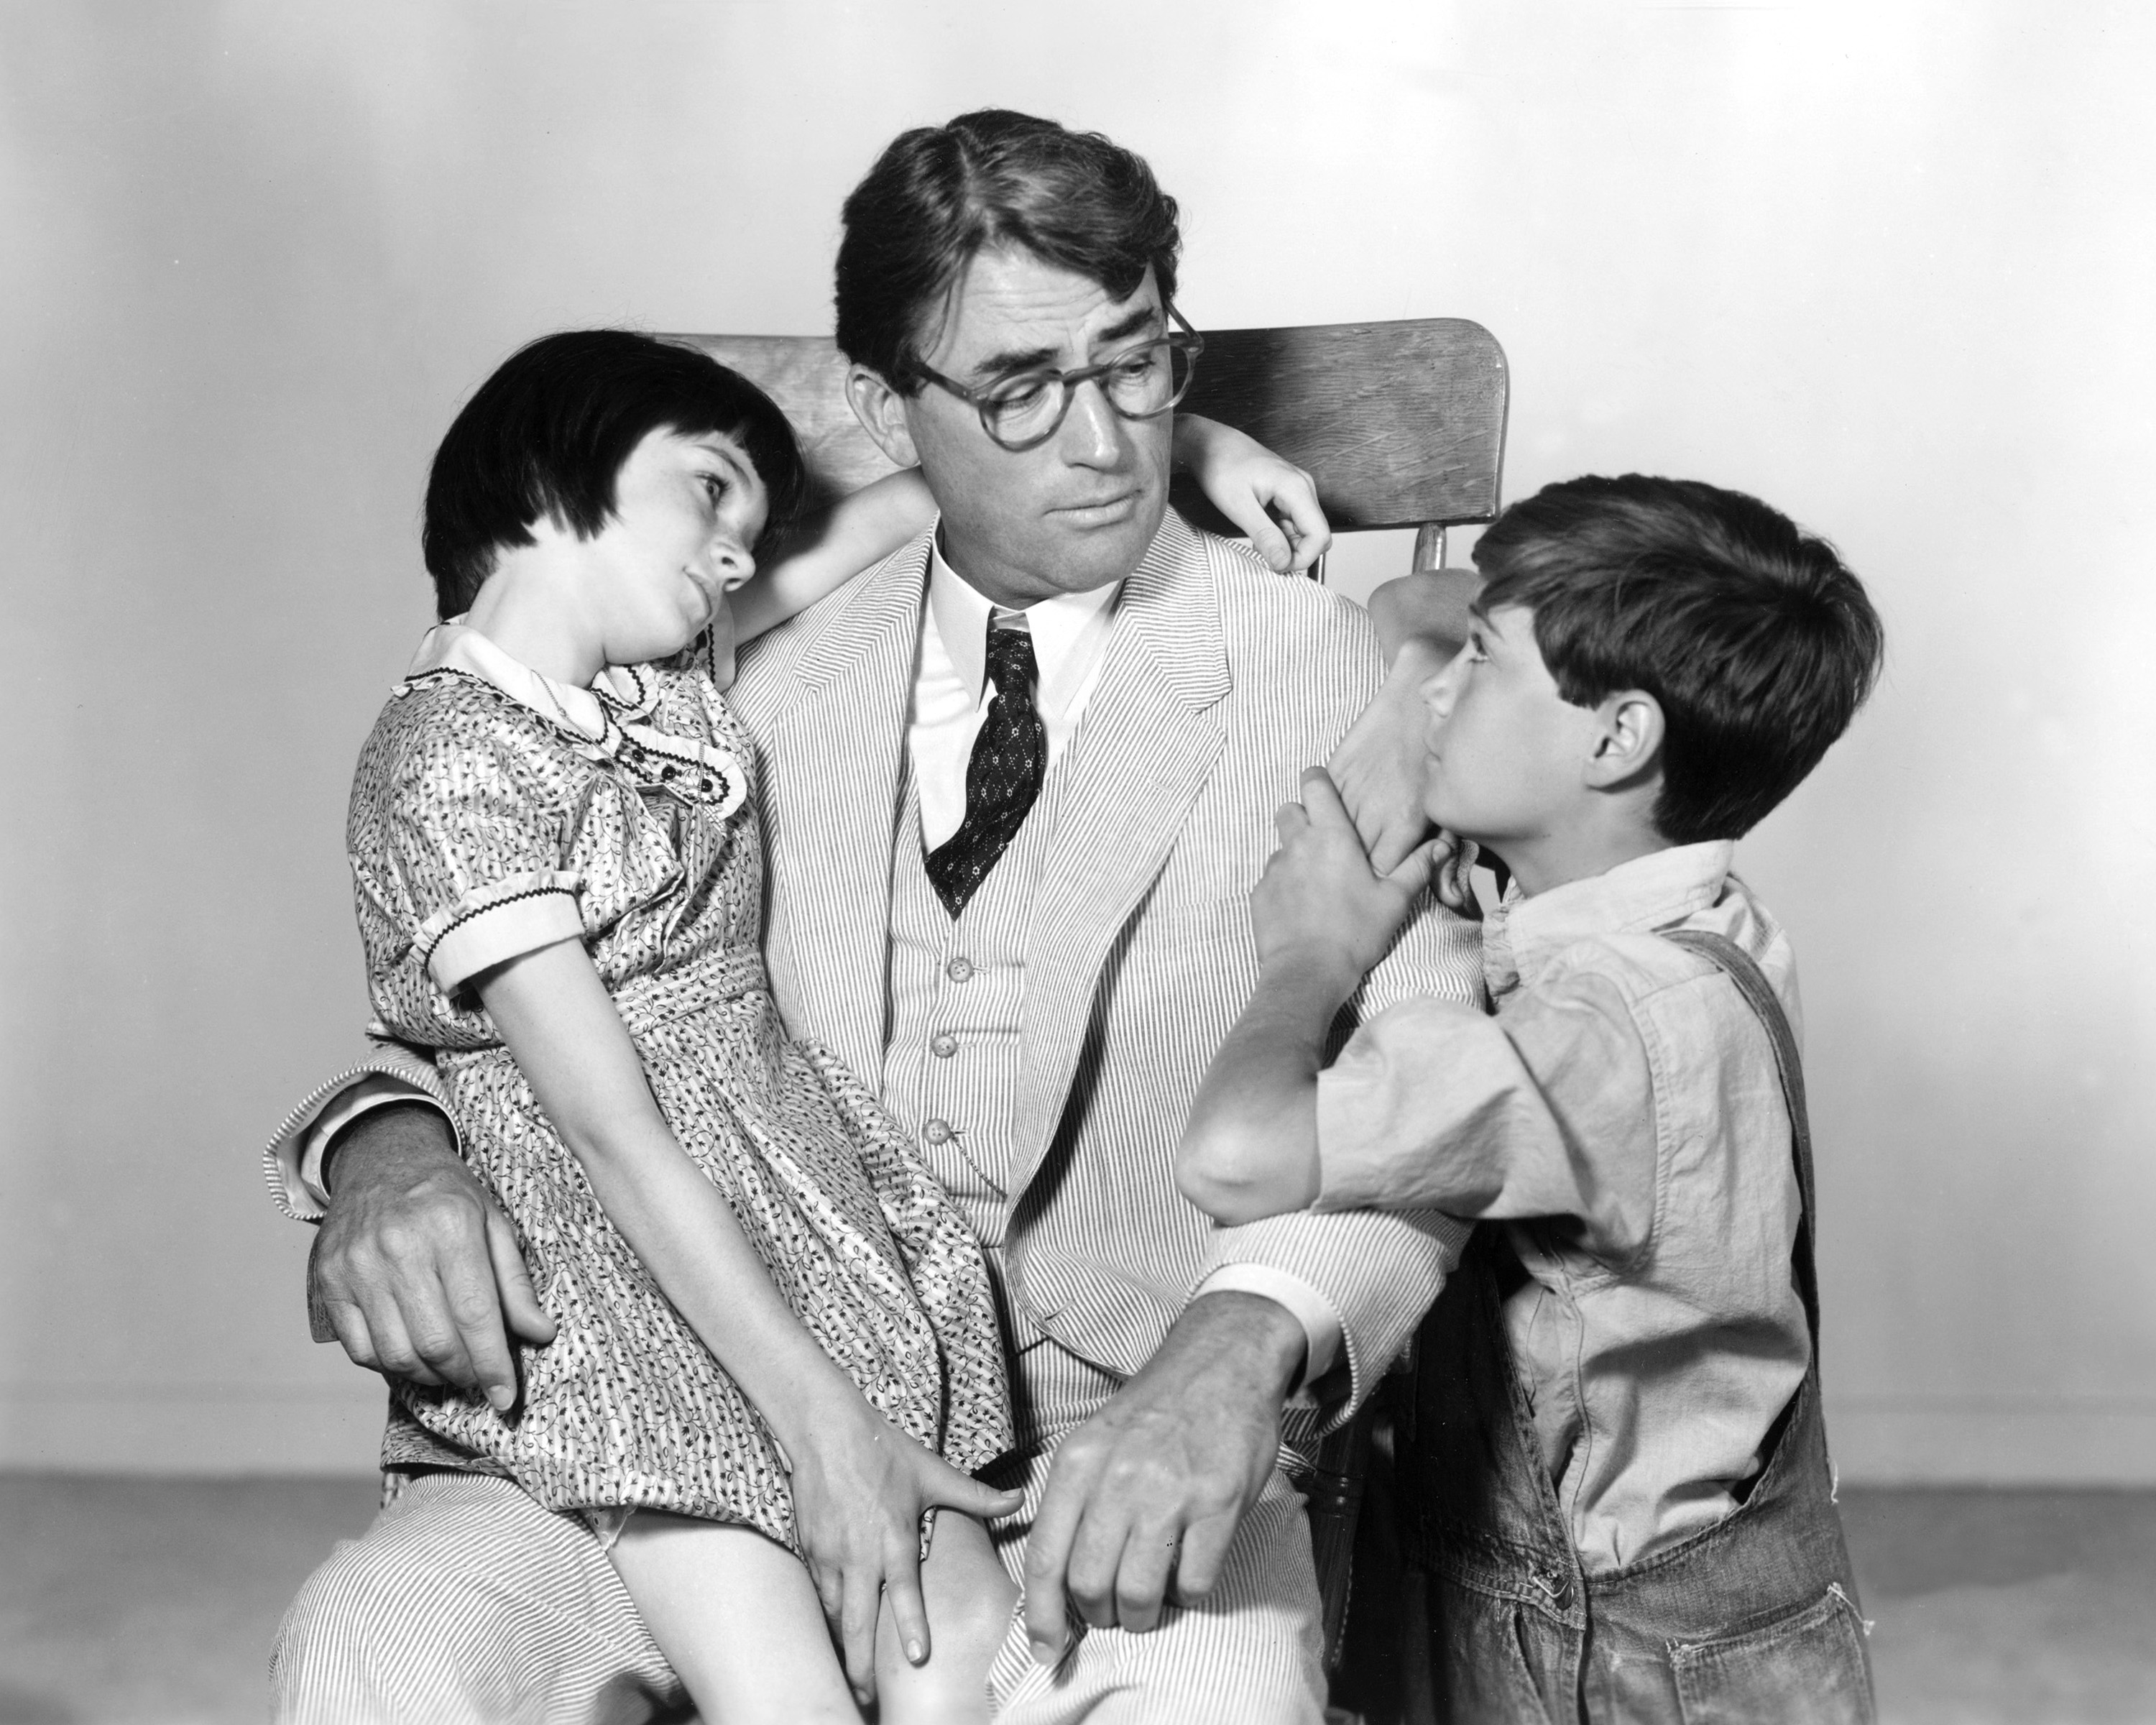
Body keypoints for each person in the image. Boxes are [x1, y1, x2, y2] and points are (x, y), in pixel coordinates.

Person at [269, 109, 1480, 1724]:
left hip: (1111, 1455)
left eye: (1139, 365)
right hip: (677, 1414)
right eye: (1019, 389)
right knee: (377, 1654)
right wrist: (381, 1148)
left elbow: (1445, 1086)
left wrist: (1245, 1346)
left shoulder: (1327, 671)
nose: (1104, 446)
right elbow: (471, 953)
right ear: (880, 409)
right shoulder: (709, 656)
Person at [1176, 473, 1886, 1722]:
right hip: (1724, 1606)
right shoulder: (1689, 917)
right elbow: (1430, 597)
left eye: (1483, 666)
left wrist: (1315, 951)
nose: (1443, 680)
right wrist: (1426, 690)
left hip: (1609, 1665)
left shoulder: (1591, 1037)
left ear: (1617, 738)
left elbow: (1236, 1155)